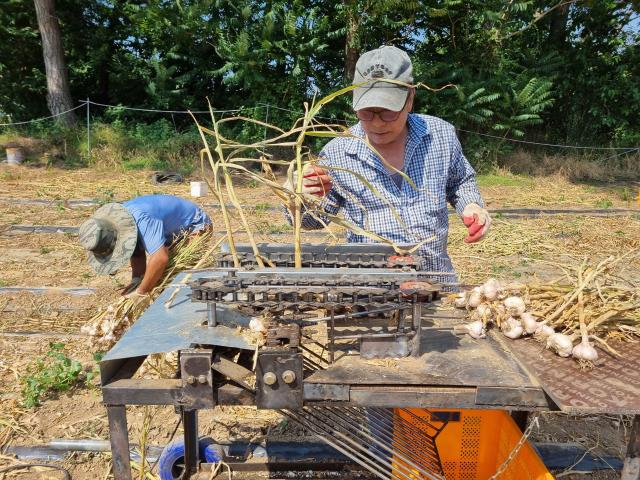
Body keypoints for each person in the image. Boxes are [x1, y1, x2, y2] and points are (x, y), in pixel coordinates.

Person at [286, 45, 491, 285]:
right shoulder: (337, 153)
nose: (376, 123)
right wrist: (295, 199)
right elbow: (313, 221)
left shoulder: (440, 136)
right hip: (370, 296)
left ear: (410, 98)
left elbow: (460, 182)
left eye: (388, 112)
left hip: (436, 286)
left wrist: (473, 206)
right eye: (366, 112)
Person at [79, 194, 212, 297]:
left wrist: (141, 292)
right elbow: (136, 250)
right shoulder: (121, 221)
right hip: (171, 232)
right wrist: (136, 281)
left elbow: (160, 258)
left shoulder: (143, 219)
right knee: (151, 279)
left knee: (170, 278)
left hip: (195, 227)